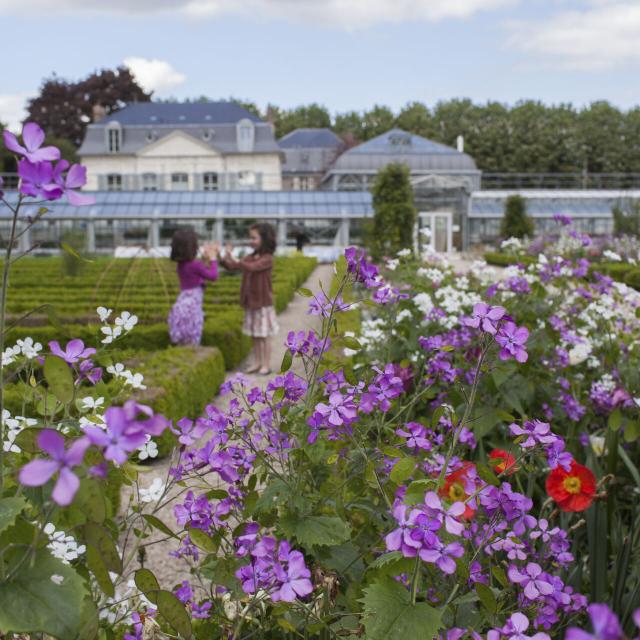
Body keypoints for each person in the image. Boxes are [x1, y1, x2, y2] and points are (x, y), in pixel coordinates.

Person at [221, 223, 279, 375]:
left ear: (264, 239)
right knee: (255, 334)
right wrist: (225, 257)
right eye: (250, 237)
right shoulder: (251, 257)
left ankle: (266, 364)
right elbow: (233, 266)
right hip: (251, 302)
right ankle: (257, 362)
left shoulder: (267, 258)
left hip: (263, 303)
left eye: (254, 237)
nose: (250, 240)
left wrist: (235, 259)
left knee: (264, 335)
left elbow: (251, 267)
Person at [168, 229, 219, 346]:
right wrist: (213, 259)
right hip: (193, 304)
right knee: (193, 334)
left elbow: (199, 274)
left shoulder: (182, 264)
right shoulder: (195, 265)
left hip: (184, 300)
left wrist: (206, 259)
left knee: (184, 336)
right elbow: (213, 276)